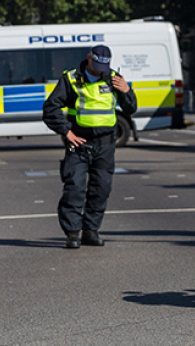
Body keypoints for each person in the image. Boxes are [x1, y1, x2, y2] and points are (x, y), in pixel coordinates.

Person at [43, 45, 137, 249]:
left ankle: (91, 231)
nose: (100, 70)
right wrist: (66, 132)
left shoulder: (113, 78)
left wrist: (127, 91)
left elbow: (131, 108)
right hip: (79, 142)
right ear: (89, 59)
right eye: (97, 65)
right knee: (74, 188)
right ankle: (72, 233)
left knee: (101, 189)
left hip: (105, 144)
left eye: (105, 66)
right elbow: (50, 108)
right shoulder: (70, 79)